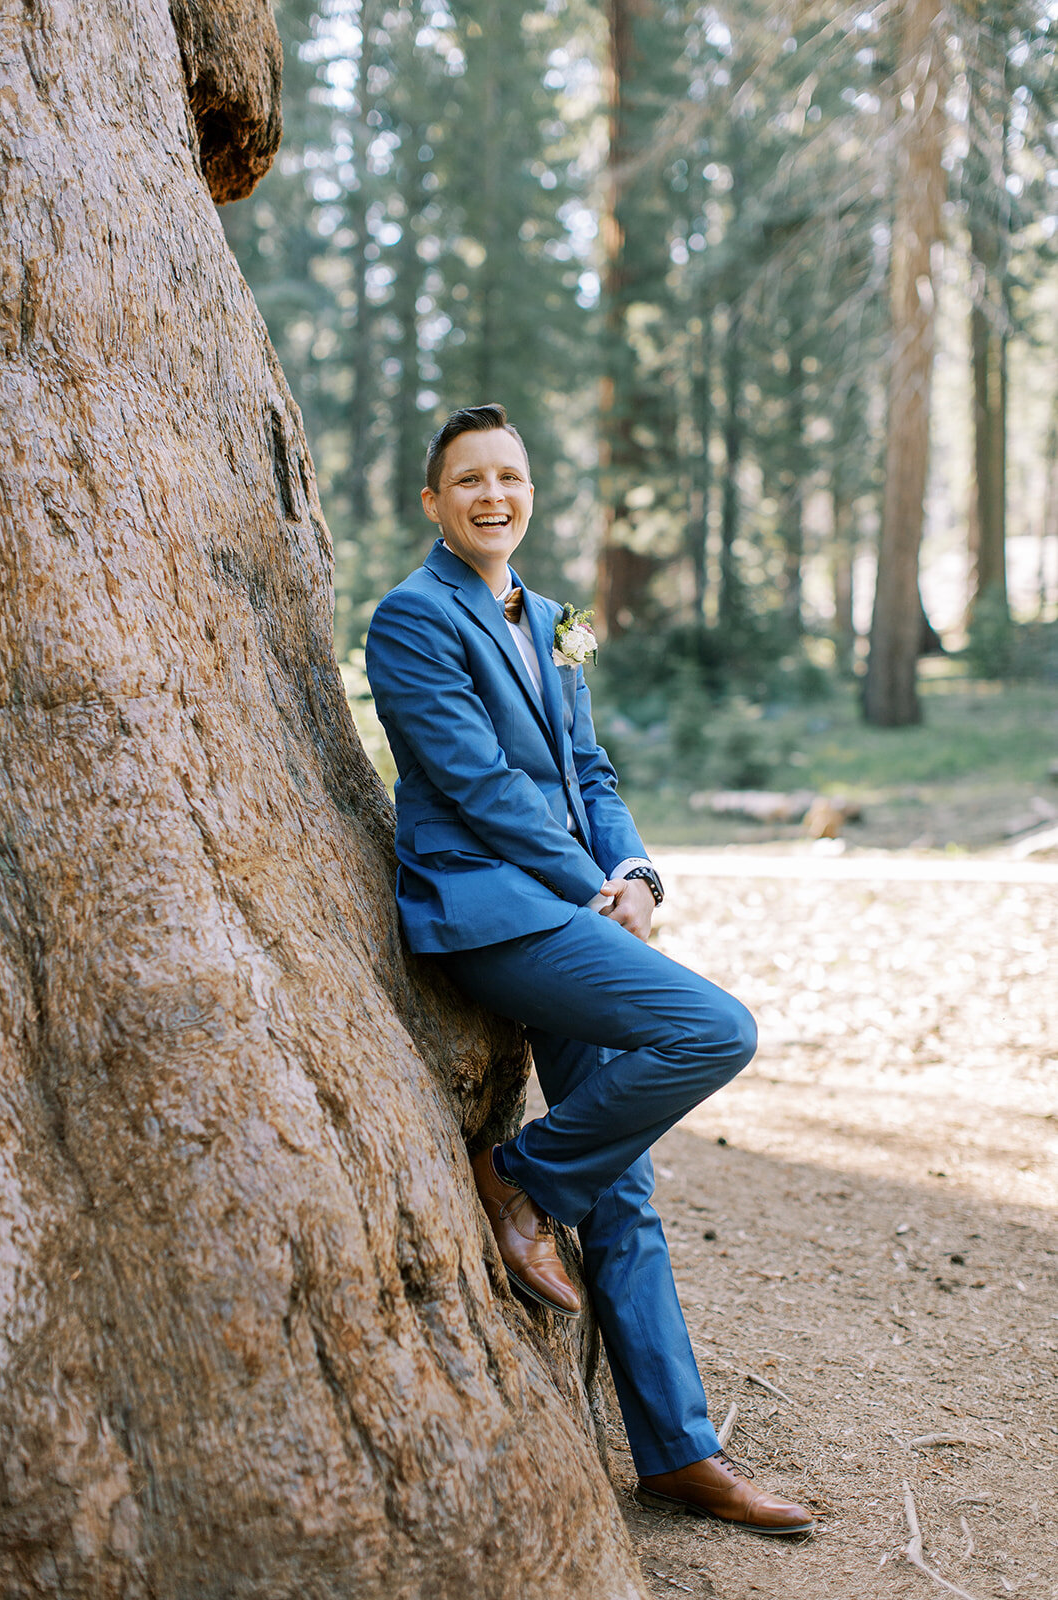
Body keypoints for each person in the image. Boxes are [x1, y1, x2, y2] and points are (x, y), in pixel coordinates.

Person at [364, 403, 814, 1538]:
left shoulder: (552, 618)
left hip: (574, 904)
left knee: (625, 1186)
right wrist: (587, 893)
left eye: (508, 477)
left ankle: (676, 1452)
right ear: (433, 501)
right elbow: (478, 785)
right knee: (715, 1031)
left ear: (529, 490)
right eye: (467, 480)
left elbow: (589, 771)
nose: (491, 496)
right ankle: (514, 1175)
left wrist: (635, 871)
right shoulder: (413, 619)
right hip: (490, 915)